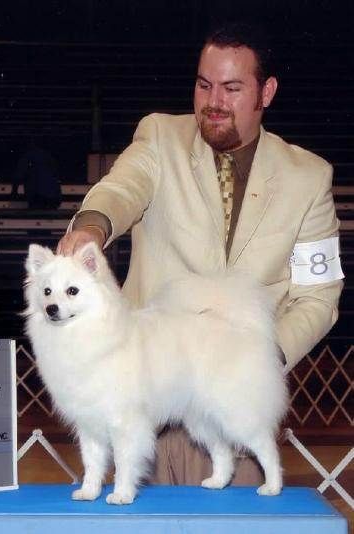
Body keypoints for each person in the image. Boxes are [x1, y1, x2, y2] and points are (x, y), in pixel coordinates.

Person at [57, 23, 344, 487]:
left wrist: (260, 357)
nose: (213, 101)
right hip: (148, 407)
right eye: (204, 84)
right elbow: (122, 188)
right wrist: (94, 225)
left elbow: (319, 295)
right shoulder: (158, 136)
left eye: (232, 88)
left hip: (233, 405)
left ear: (265, 92)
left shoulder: (309, 178)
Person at [11, 139, 62, 209]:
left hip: (38, 196)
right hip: (53, 197)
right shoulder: (48, 157)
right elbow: (56, 174)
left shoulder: (28, 157)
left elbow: (18, 176)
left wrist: (14, 192)